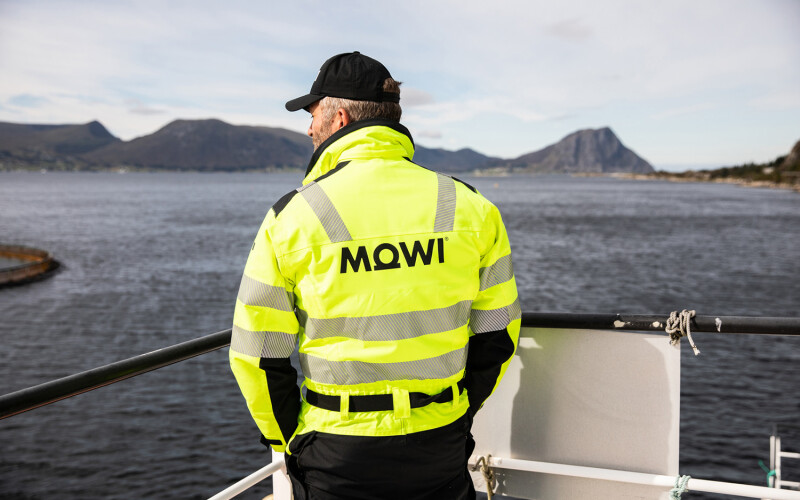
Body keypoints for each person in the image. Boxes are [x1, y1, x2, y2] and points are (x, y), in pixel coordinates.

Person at [230, 51, 520, 500]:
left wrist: (287, 438)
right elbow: (498, 333)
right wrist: (457, 409)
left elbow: (257, 351)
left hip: (336, 450)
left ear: (339, 118)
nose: (309, 129)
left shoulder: (294, 216)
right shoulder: (471, 207)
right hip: (440, 440)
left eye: (312, 115)